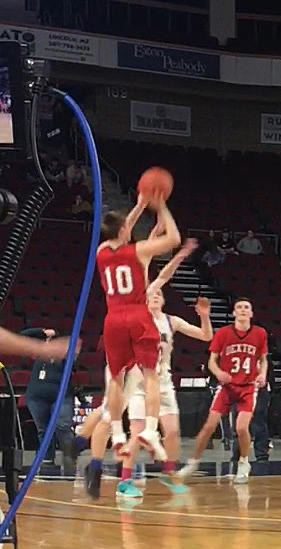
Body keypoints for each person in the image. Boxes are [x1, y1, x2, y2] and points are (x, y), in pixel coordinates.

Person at [87, 193, 181, 496]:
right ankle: (152, 431)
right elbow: (174, 238)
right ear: (126, 232)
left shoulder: (101, 252)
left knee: (115, 379)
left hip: (113, 319)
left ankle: (117, 433)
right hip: (138, 316)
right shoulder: (138, 251)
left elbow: (120, 230)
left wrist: (140, 206)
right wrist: (159, 205)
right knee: (149, 374)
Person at [117, 288, 213, 498]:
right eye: (151, 293)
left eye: (159, 293)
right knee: (138, 433)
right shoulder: (135, 320)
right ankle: (124, 481)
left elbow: (206, 336)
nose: (155, 295)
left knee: (172, 432)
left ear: (163, 299)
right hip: (139, 384)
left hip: (163, 382)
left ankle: (169, 472)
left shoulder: (171, 321)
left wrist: (204, 316)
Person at [178, 297, 268, 484]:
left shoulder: (260, 333)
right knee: (208, 427)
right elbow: (212, 361)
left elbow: (263, 359)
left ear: (251, 313)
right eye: (239, 307)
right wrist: (219, 372)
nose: (243, 310)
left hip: (248, 386)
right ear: (234, 312)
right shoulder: (223, 333)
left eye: (246, 307)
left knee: (241, 427)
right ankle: (193, 462)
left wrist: (262, 374)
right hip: (227, 386)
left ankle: (244, 462)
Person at [22, 327, 76, 475]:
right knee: (43, 430)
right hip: (36, 396)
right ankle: (47, 460)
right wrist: (41, 331)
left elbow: (74, 349)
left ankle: (69, 457)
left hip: (62, 395)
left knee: (63, 427)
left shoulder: (65, 354)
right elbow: (22, 335)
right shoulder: (37, 352)